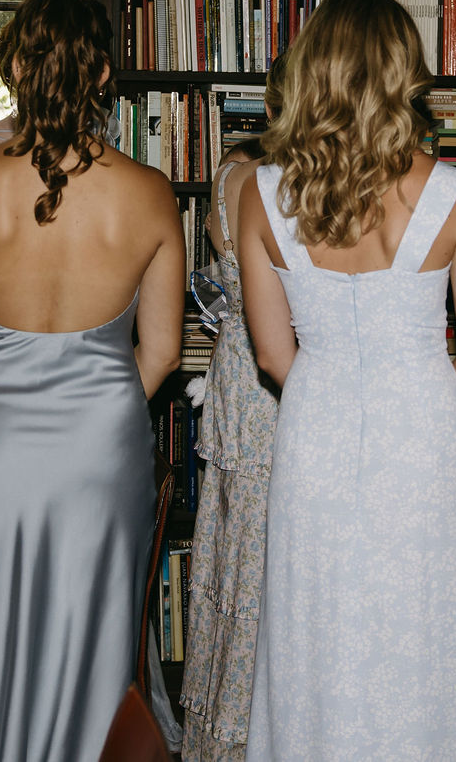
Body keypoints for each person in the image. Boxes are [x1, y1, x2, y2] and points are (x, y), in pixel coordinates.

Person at [236, 0, 456, 761]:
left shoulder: (259, 196)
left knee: (319, 630)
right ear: (403, 74)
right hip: (427, 434)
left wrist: (339, 400)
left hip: (315, 431)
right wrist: (414, 408)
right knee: (430, 630)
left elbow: (271, 354)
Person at [0, 0, 185, 762]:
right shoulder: (149, 193)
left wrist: (7, 390)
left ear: (14, 71)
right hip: (101, 446)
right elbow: (162, 353)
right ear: (104, 75)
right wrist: (88, 403)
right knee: (94, 629)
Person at [180, 55, 286, 762]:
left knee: (235, 560)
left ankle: (225, 731)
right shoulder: (279, 184)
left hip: (234, 383)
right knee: (268, 565)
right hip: (274, 388)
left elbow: (224, 285)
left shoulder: (229, 170)